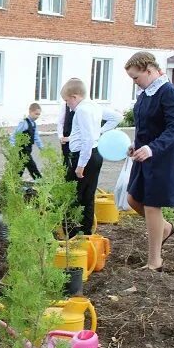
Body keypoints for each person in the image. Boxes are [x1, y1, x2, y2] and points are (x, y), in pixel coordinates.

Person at [124, 51, 174, 272]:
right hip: (145, 155)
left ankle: (154, 261)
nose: (135, 83)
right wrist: (136, 144)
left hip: (163, 157)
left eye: (135, 78)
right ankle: (166, 228)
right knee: (133, 199)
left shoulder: (168, 92)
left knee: (152, 205)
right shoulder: (145, 93)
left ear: (149, 71)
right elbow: (145, 125)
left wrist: (152, 148)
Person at [59, 78, 104, 238]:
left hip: (85, 157)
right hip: (95, 154)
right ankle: (85, 232)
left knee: (73, 195)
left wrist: (80, 165)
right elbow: (115, 118)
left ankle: (72, 233)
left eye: (67, 101)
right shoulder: (94, 106)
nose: (68, 105)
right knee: (88, 195)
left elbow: (88, 139)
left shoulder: (82, 110)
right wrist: (100, 132)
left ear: (74, 97)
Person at [9, 103, 44, 180]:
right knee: (32, 167)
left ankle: (13, 185)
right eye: (36, 114)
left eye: (39, 114)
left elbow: (36, 137)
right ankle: (41, 183)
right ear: (30, 112)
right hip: (21, 150)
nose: (37, 116)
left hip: (28, 150)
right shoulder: (24, 123)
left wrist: (42, 148)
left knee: (20, 169)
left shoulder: (34, 124)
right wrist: (12, 147)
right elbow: (14, 135)